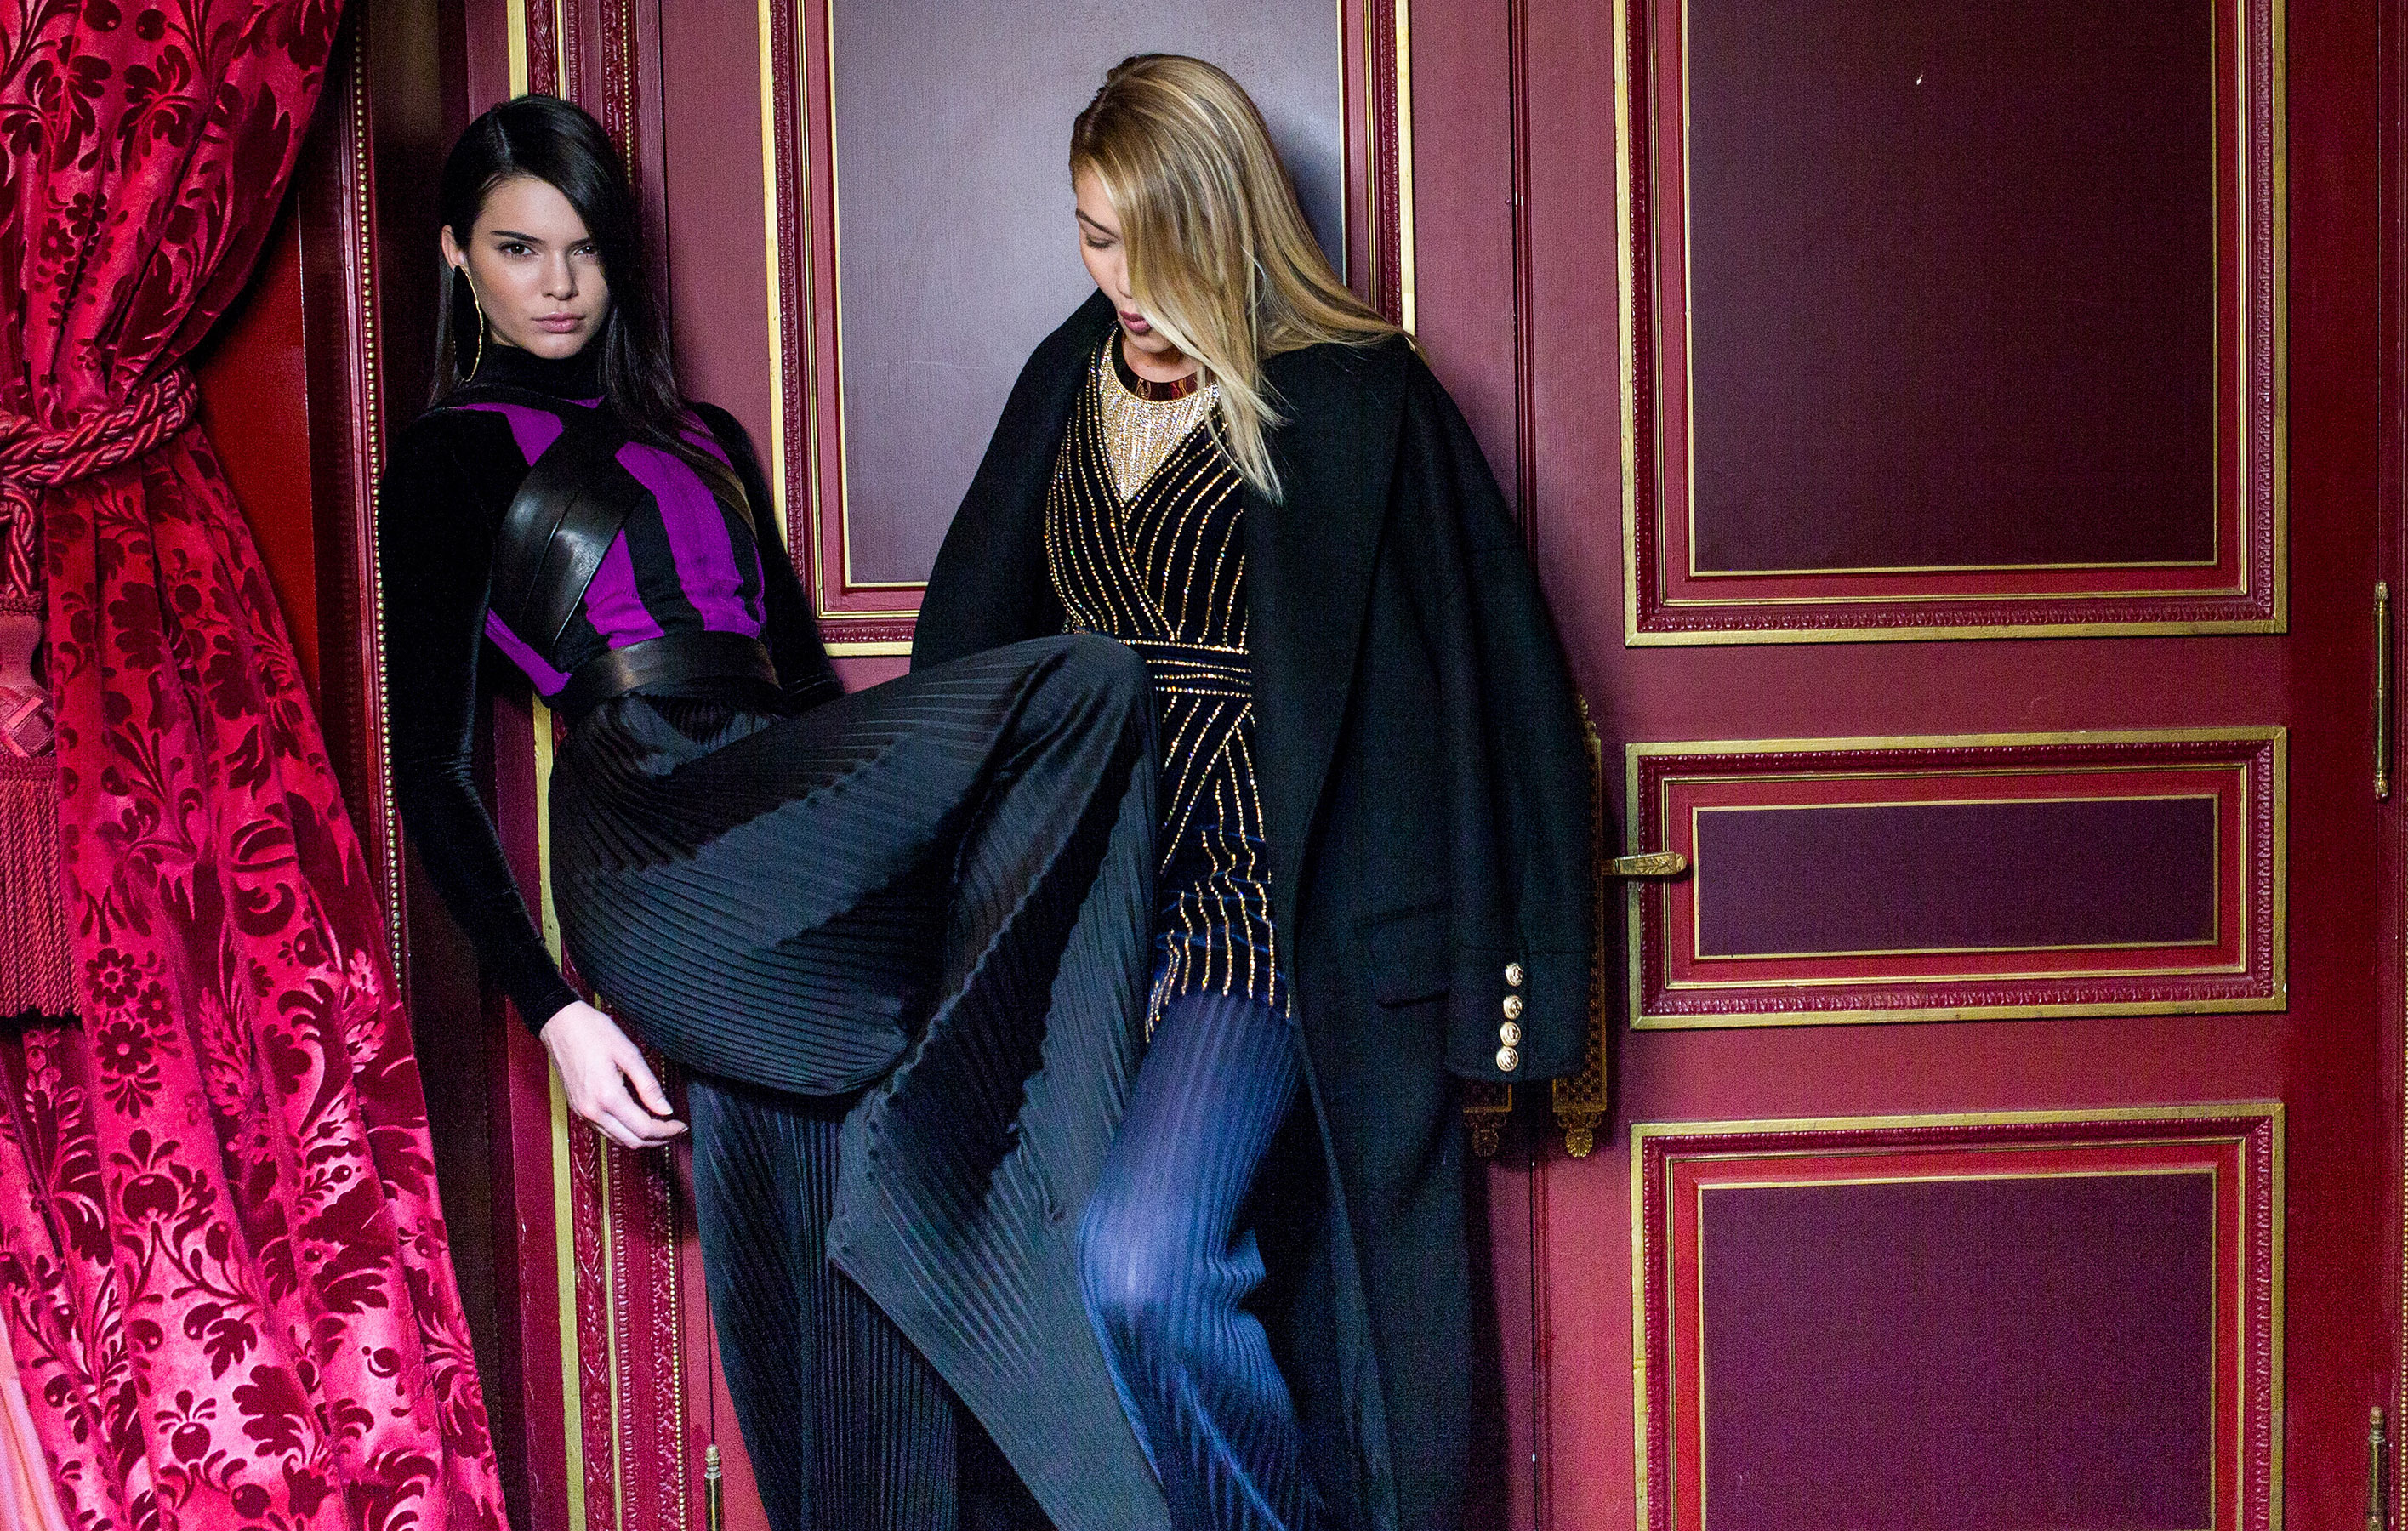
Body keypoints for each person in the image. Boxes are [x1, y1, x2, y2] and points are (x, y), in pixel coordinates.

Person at [379, 95, 1173, 1531]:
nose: (558, 285)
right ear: (457, 257)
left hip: (777, 815)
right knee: (1084, 683)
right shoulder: (447, 459)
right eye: (518, 249)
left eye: (585, 250)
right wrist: (553, 1014)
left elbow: (806, 692)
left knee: (853, 1211)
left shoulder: (707, 437)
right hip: (645, 830)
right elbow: (431, 770)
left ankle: (991, 1212)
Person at [915, 54, 1597, 1531]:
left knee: (1142, 1266)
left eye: (1154, 241)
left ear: (1228, 223)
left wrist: (1521, 982)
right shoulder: (1063, 385)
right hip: (1093, 908)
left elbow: (1504, 688)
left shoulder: (1361, 402)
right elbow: (964, 660)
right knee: (1017, 1293)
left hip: (1264, 902)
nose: (1123, 280)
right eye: (1095, 236)